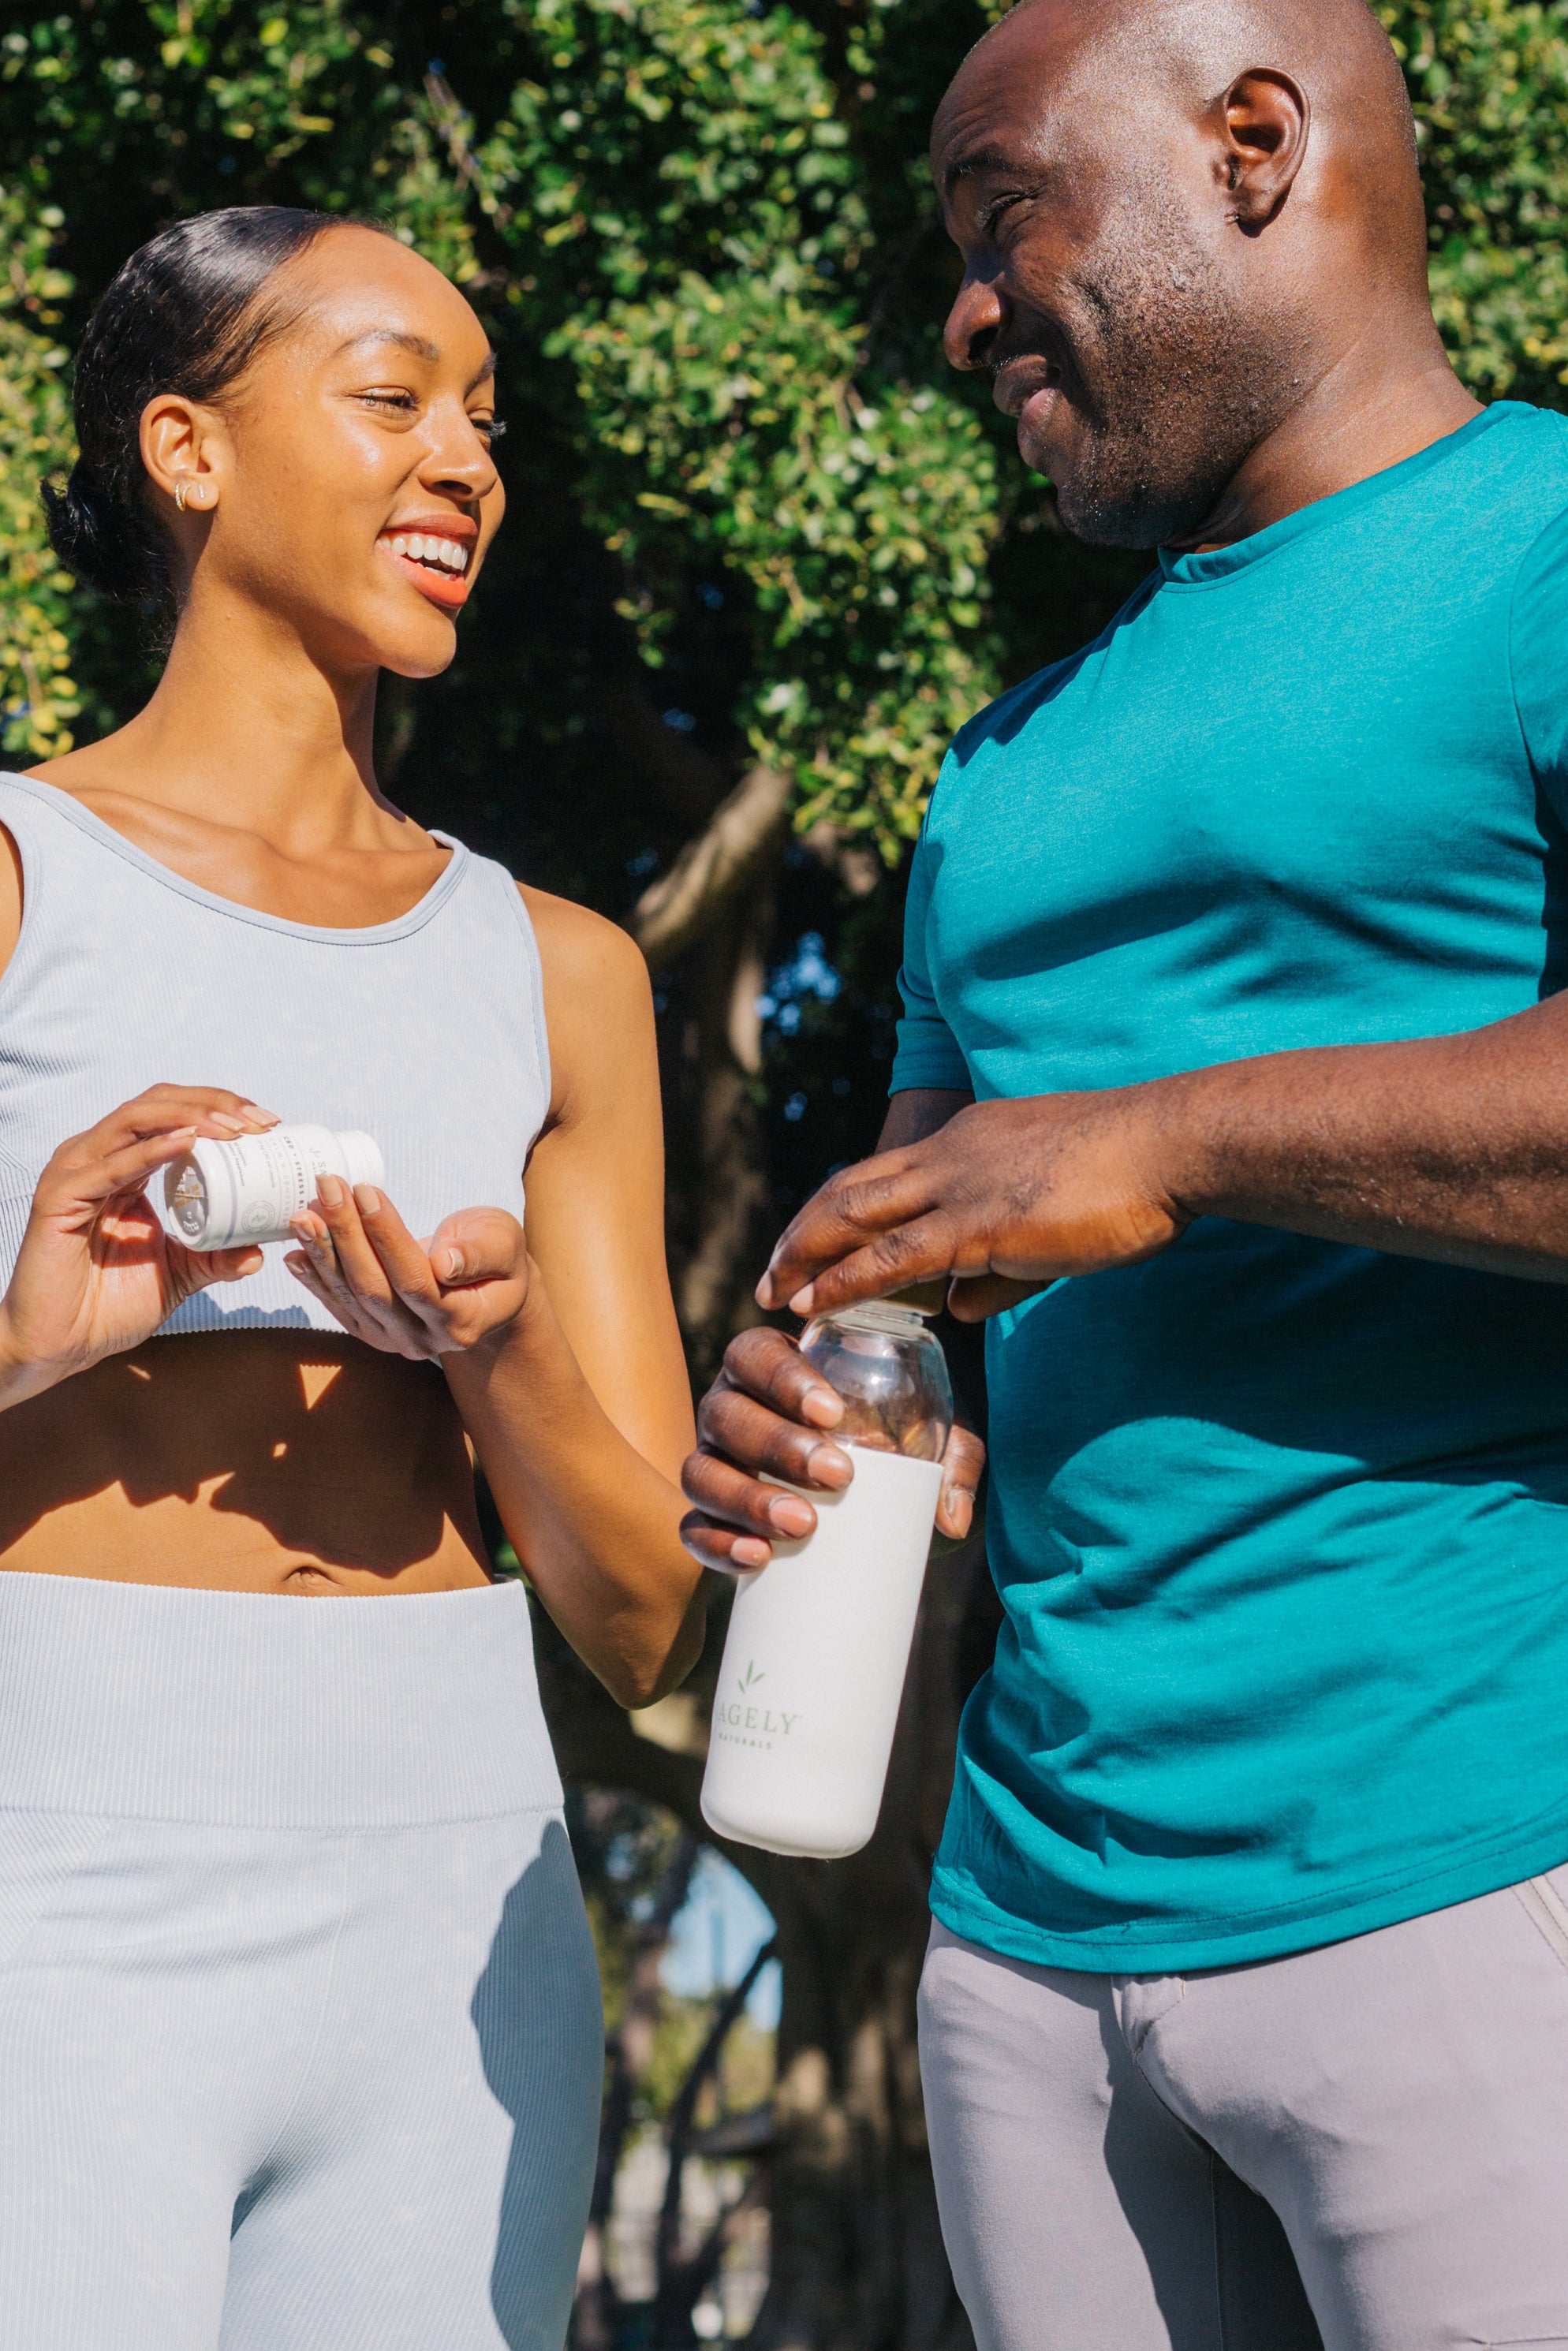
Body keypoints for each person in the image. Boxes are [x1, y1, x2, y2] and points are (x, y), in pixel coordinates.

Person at [0, 208, 709, 2349]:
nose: (466, 460)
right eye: (393, 398)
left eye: (484, 417)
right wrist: (4, 1344)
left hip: (464, 1908)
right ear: (188, 447)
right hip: (65, 1875)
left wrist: (506, 1350)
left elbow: (641, 1622)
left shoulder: (569, 978)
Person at [681, 1, 1568, 2342]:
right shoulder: (1002, 770)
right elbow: (905, 1263)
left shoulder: (1550, 547)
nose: (965, 312)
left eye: (1003, 224)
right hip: (1025, 1961)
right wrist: (798, 1397)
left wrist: (1165, 1140)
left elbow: (1089, 1169)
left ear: (1252, 144)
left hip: (1482, 1875)